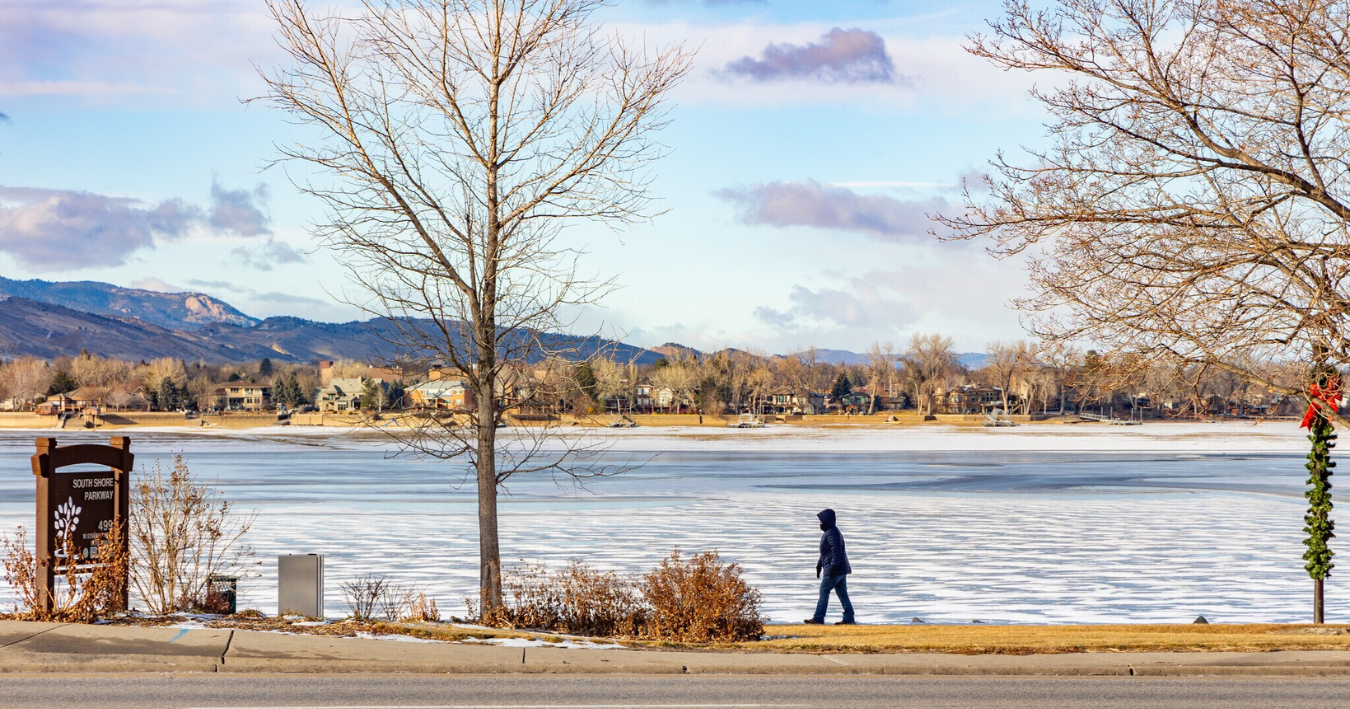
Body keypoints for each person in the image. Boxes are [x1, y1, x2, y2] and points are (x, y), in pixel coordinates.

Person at [806, 508, 855, 625]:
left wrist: (833, 567)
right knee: (842, 593)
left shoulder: (832, 532)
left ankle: (818, 618)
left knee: (824, 590)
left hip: (836, 569)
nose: (820, 524)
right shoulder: (830, 532)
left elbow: (836, 551)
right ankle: (849, 618)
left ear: (827, 521)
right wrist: (819, 564)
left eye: (822, 521)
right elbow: (826, 552)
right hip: (840, 568)